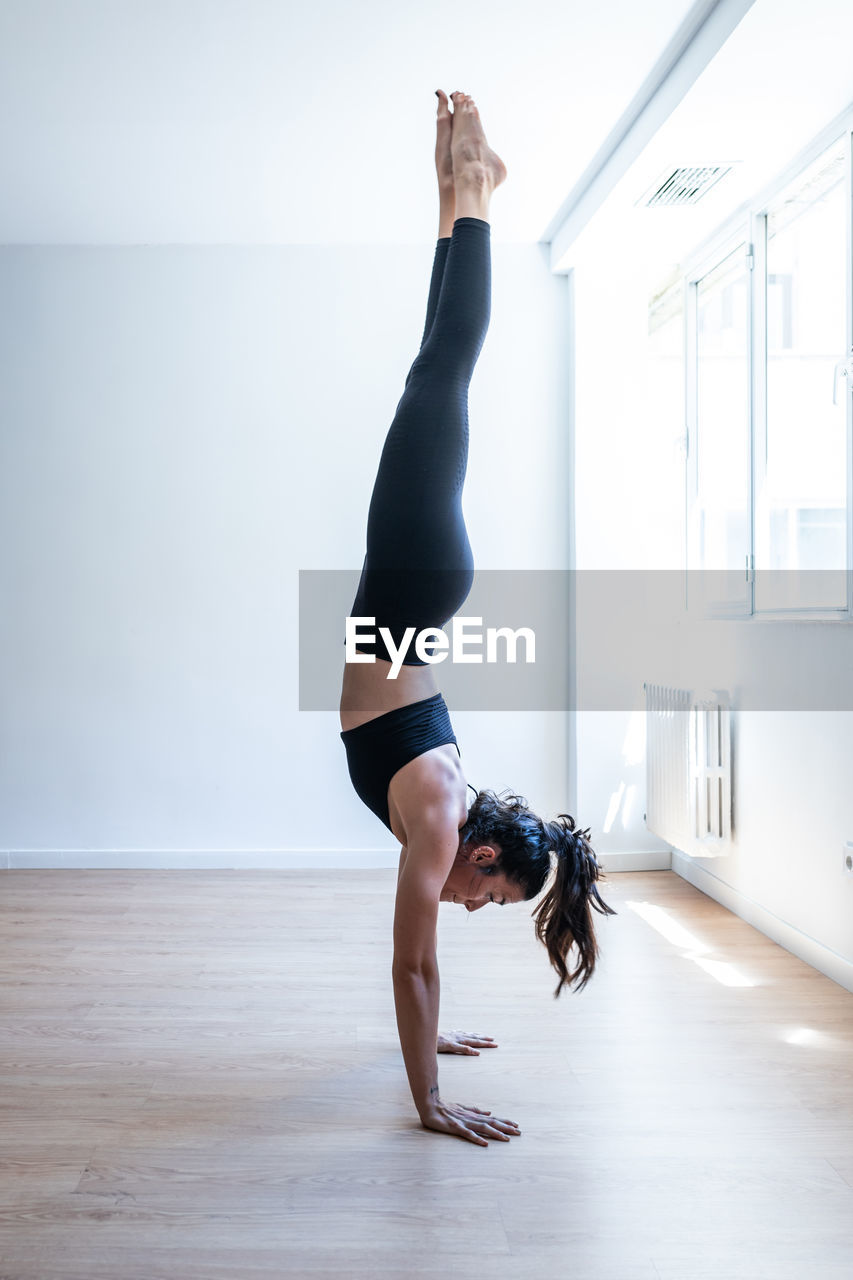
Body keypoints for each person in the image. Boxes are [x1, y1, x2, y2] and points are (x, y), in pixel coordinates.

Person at [339, 91, 615, 1147]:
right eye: (489, 898)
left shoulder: (447, 805)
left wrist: (434, 1035)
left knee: (433, 369)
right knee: (442, 370)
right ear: (490, 853)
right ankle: (473, 189)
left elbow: (420, 969)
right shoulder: (442, 815)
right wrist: (427, 1101)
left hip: (417, 585)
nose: (468, 904)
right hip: (410, 578)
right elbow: (411, 961)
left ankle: (460, 194)